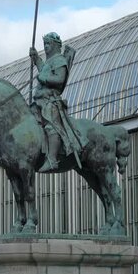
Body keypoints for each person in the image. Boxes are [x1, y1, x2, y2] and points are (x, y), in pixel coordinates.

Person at [29, 32, 88, 172]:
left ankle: (52, 159)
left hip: (51, 101)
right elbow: (44, 70)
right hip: (39, 102)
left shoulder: (60, 60)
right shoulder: (50, 62)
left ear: (56, 45)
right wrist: (36, 58)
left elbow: (59, 80)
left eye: (48, 44)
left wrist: (44, 79)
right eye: (45, 44)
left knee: (51, 126)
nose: (46, 47)